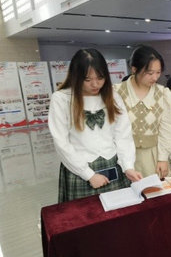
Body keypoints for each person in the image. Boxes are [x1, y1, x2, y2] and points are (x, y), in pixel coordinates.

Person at [48, 48, 142, 203]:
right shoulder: (62, 99)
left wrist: (128, 166)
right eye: (87, 79)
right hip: (80, 168)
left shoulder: (112, 97)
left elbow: (123, 135)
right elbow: (61, 142)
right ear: (76, 76)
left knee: (118, 212)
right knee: (85, 215)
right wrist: (88, 174)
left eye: (100, 77)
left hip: (113, 164)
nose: (95, 84)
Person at [114, 45, 171, 178]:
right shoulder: (116, 92)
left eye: (158, 72)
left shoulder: (163, 94)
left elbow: (167, 129)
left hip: (153, 156)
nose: (155, 78)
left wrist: (163, 158)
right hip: (122, 157)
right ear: (134, 69)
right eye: (150, 73)